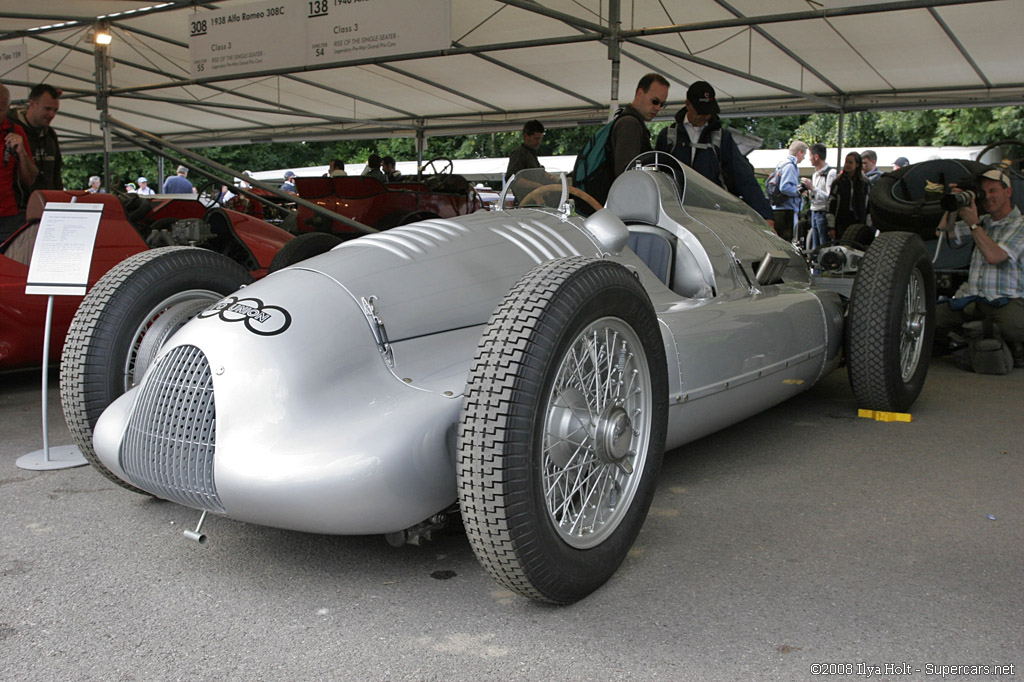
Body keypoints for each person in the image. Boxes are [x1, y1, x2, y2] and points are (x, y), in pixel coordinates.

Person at [934, 167, 1024, 366]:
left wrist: (974, 225)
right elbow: (943, 232)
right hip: (974, 298)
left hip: (1007, 300)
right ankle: (984, 337)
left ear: (1008, 192)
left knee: (1014, 327)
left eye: (993, 191)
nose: (988, 197)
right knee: (931, 319)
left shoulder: (1020, 224)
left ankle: (989, 338)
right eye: (984, 192)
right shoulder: (985, 222)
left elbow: (995, 256)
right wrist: (955, 205)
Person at [655, 81, 773, 228]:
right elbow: (657, 177)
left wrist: (765, 215)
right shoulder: (668, 136)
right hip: (676, 215)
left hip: (712, 214)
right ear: (688, 104)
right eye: (701, 110)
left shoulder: (722, 138)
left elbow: (744, 176)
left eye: (709, 110)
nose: (706, 115)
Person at [5, 83, 62, 208]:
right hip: (19, 209)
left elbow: (56, 174)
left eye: (55, 110)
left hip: (48, 207)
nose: (52, 114)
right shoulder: (10, 129)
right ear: (32, 104)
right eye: (47, 109)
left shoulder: (50, 135)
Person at [611, 73, 670, 180]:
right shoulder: (630, 124)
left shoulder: (630, 122)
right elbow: (625, 173)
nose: (658, 108)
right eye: (655, 101)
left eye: (662, 104)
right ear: (640, 93)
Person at [0, 84, 38, 242]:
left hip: (8, 217)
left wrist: (22, 153)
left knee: (8, 264)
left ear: (8, 108)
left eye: (0, 109)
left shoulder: (15, 131)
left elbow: (30, 178)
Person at [769, 140, 808, 242]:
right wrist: (798, 191)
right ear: (799, 152)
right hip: (786, 211)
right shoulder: (790, 166)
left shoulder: (782, 164)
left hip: (779, 208)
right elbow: (785, 187)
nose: (804, 158)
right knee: (786, 240)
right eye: (804, 154)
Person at [801, 143, 836, 250]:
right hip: (814, 211)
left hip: (823, 212)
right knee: (815, 244)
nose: (809, 159)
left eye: (810, 156)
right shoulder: (815, 173)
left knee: (823, 243)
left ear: (816, 157)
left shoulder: (831, 173)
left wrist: (813, 188)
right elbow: (816, 194)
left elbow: (829, 197)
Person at [826, 151, 869, 239]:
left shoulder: (864, 183)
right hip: (841, 221)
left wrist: (868, 226)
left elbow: (869, 205)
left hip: (858, 221)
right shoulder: (838, 182)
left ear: (857, 164)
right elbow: (831, 205)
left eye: (850, 162)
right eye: (846, 162)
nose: (847, 165)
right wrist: (831, 227)